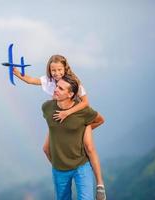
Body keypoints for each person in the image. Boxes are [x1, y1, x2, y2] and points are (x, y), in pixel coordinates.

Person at [13, 55, 106, 199]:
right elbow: (32, 80)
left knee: (88, 146)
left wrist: (68, 113)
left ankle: (100, 185)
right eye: (53, 70)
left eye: (59, 70)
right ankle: (61, 169)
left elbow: (86, 103)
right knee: (45, 148)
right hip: (57, 118)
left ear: (65, 68)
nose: (56, 73)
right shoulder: (49, 87)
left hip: (74, 113)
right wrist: (17, 74)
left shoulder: (75, 83)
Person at [42, 74, 104, 200]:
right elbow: (52, 130)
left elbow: (100, 120)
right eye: (57, 86)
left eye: (61, 88)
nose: (55, 90)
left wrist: (85, 129)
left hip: (81, 165)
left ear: (70, 94)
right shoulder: (47, 108)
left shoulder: (83, 111)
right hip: (59, 169)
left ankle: (100, 186)